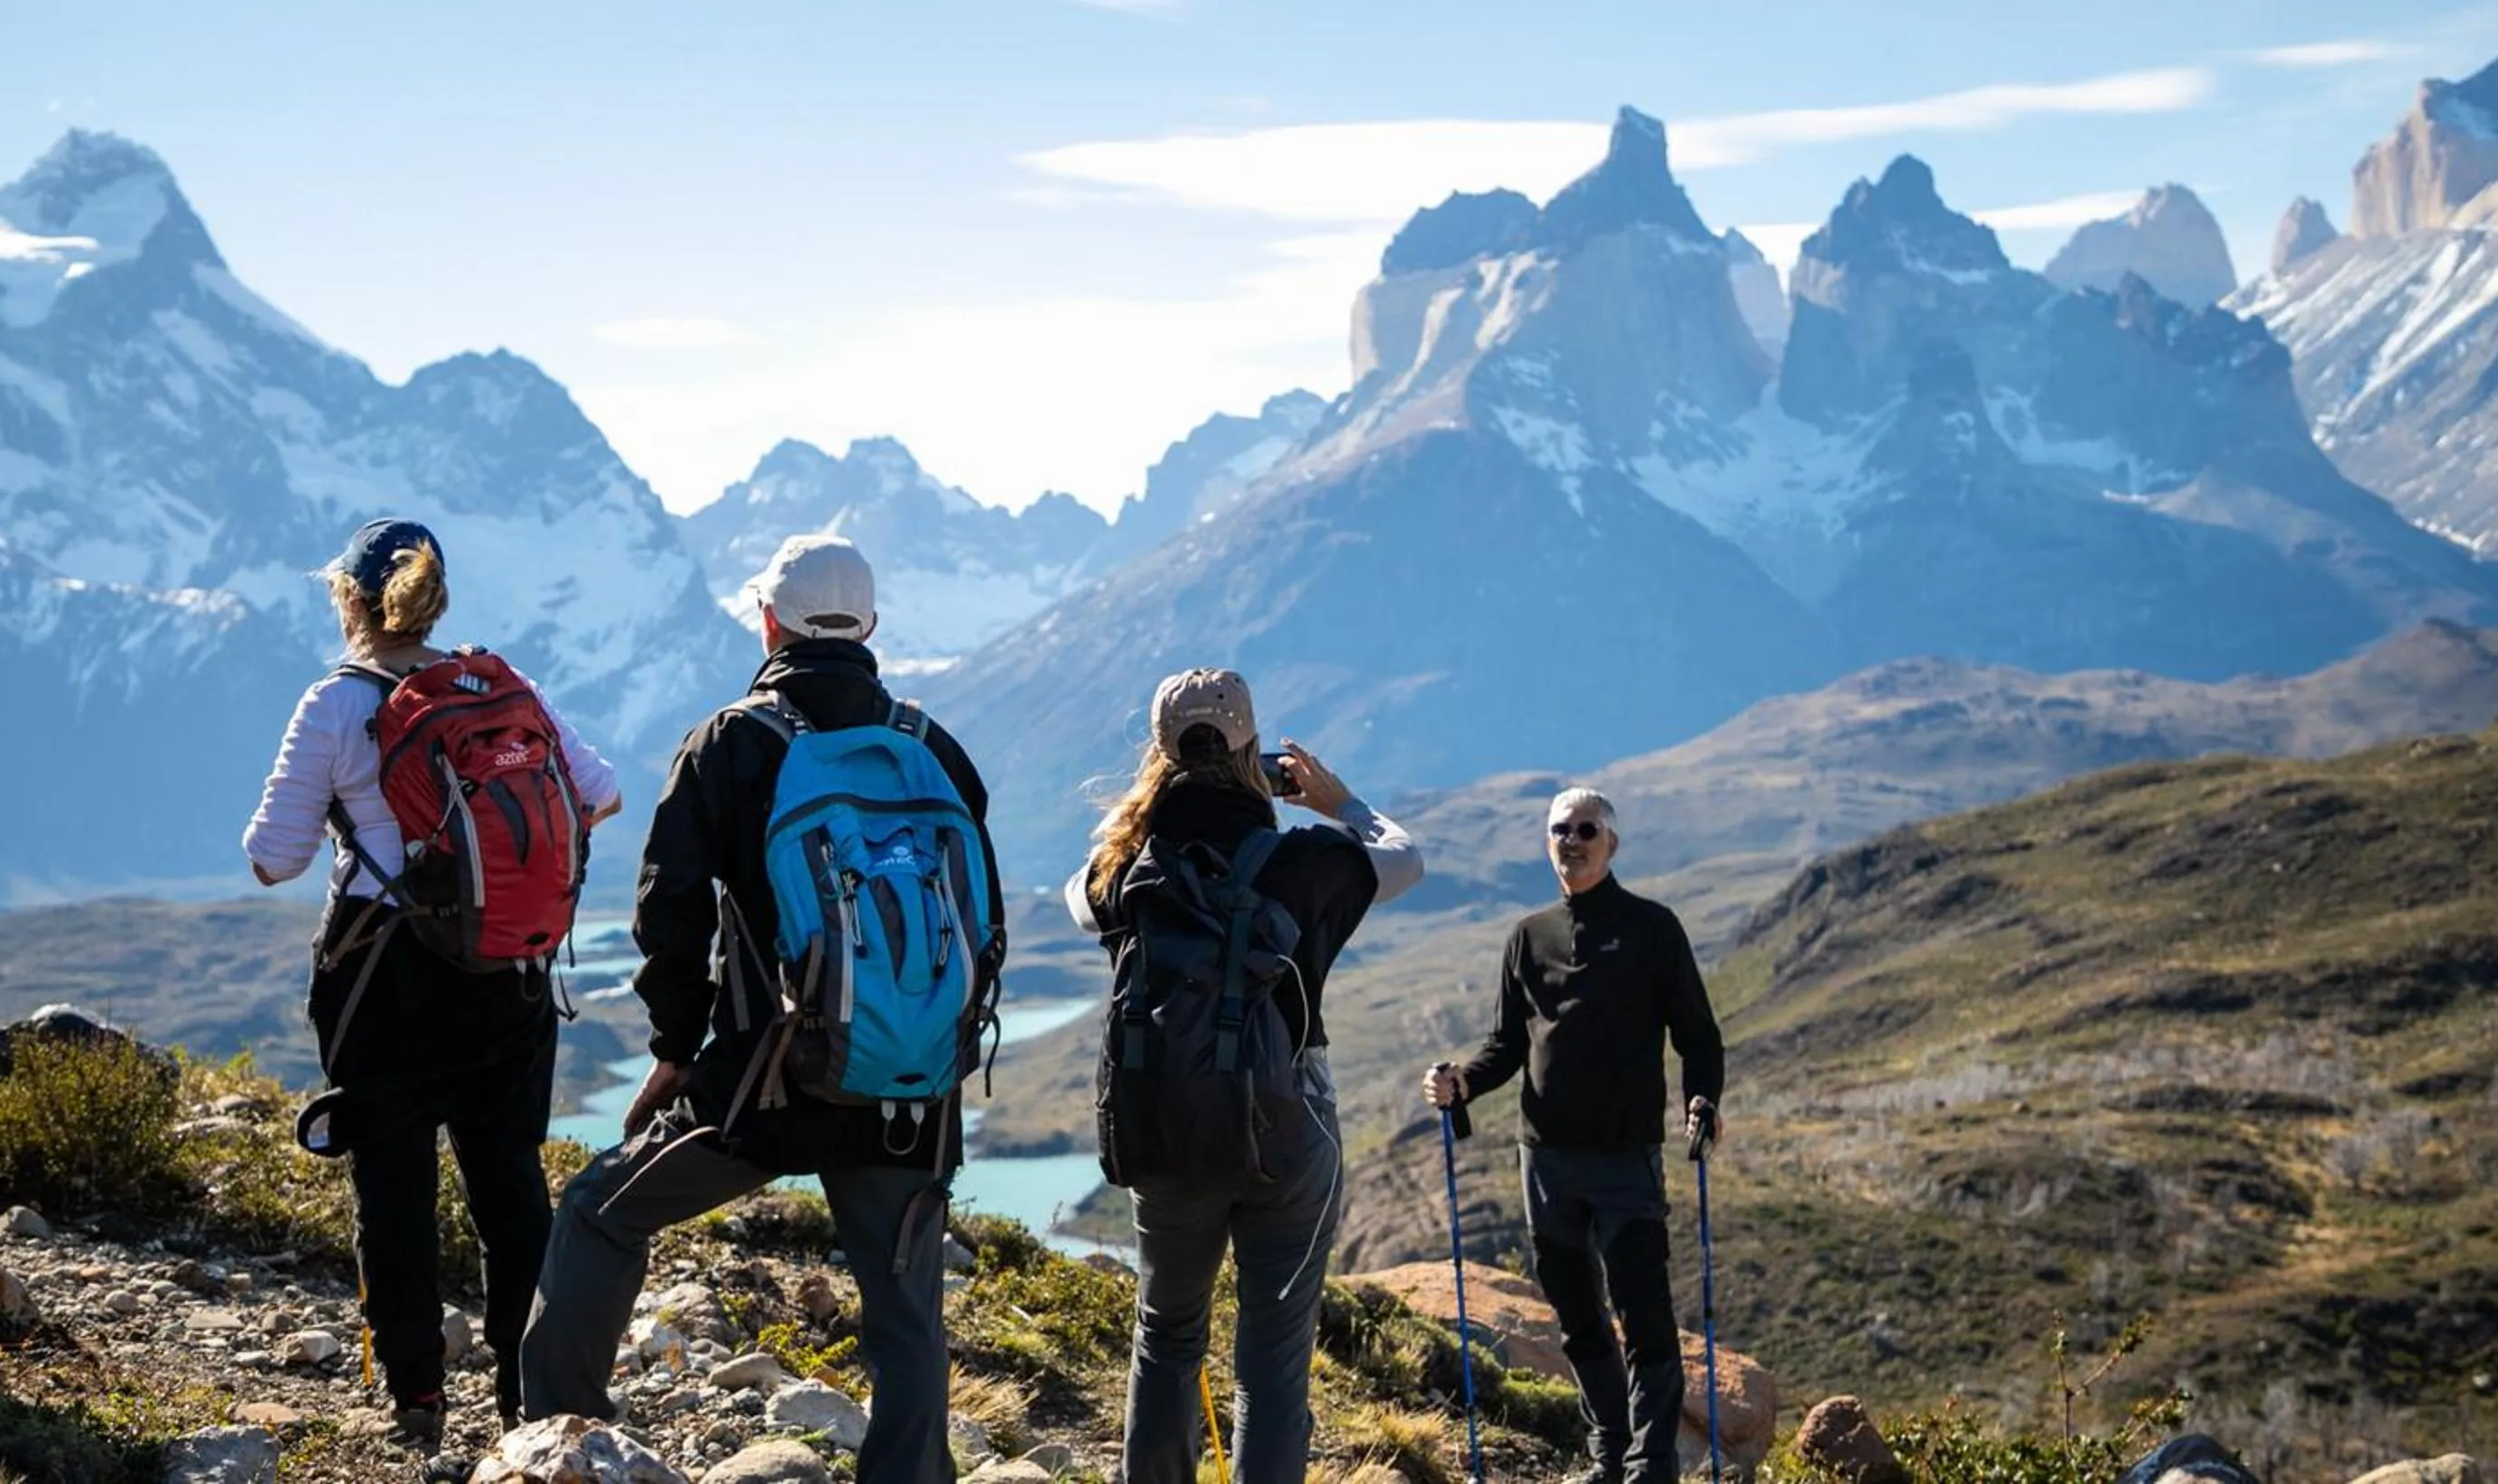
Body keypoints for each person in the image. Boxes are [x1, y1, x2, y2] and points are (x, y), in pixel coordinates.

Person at [520, 534, 1004, 1484]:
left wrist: (674, 1046)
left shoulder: (729, 743)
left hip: (763, 1085)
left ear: (769, 622)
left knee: (598, 1212)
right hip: (908, 1089)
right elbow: (978, 918)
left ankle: (559, 1448)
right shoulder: (930, 747)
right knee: (905, 1315)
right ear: (869, 626)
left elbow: (670, 908)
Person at [245, 517, 623, 1448]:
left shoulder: (336, 704)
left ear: (349, 598)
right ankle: (528, 1396)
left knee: (396, 1189)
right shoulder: (501, 684)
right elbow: (602, 793)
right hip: (509, 972)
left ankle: (417, 1400)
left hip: (386, 975)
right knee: (511, 1188)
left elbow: (274, 858)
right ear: (435, 597)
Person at [1067, 668, 1424, 1484]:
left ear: (1159, 755)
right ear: (1251, 745)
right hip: (1287, 1130)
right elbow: (1404, 861)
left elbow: (1075, 898)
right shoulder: (1306, 862)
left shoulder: (1129, 868)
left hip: (1166, 1128)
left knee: (1166, 1338)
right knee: (1271, 1362)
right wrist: (1341, 803)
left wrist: (1142, 808)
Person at [1422, 787, 1723, 1484]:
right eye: (1561, 830)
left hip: (1626, 1157)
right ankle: (1609, 1457)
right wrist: (1463, 1082)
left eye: (1587, 830)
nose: (1573, 841)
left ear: (1612, 842)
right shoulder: (1528, 937)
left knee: (1644, 1314)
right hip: (1545, 1159)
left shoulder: (1653, 928)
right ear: (1546, 841)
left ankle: (1651, 1468)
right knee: (1577, 1316)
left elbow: (1698, 1035)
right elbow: (1506, 1045)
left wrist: (1704, 1100)